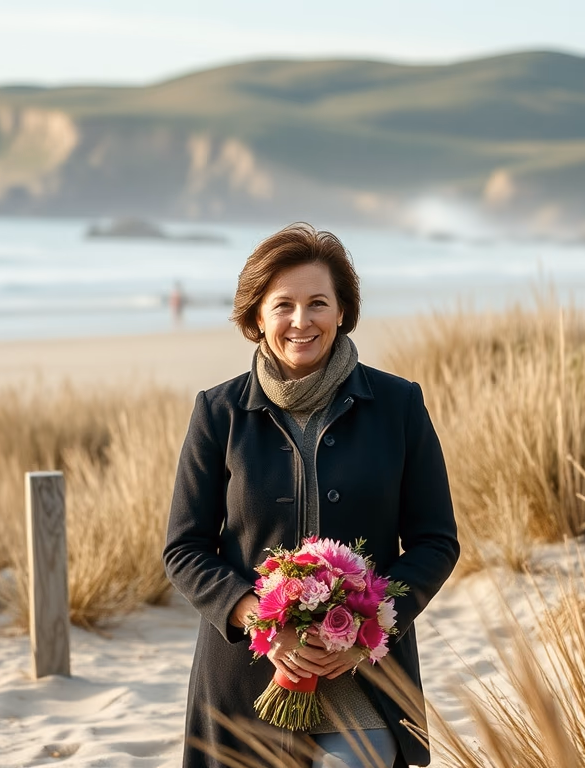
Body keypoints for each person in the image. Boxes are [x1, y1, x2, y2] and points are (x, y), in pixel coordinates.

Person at [164, 223, 459, 768]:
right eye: (283, 306)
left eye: (318, 303)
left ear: (342, 311)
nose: (302, 322)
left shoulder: (399, 406)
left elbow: (436, 541)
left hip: (366, 680)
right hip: (246, 686)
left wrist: (367, 629)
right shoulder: (218, 412)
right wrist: (256, 619)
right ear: (256, 317)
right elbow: (184, 548)